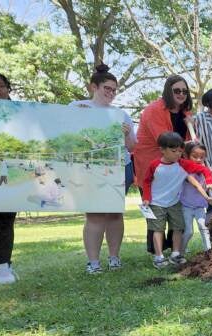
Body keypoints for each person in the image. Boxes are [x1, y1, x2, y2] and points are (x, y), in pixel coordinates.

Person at [69, 64, 137, 274]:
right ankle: (93, 262)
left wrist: (126, 134)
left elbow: (132, 146)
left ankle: (114, 257)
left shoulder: (121, 114)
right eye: (107, 88)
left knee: (115, 214)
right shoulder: (77, 107)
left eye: (114, 90)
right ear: (93, 87)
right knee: (96, 215)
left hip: (120, 167)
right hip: (91, 169)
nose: (111, 93)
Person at [135, 75, 194, 254]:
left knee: (175, 208)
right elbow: (166, 142)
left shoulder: (185, 113)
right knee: (157, 210)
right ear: (168, 91)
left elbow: (190, 141)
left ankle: (174, 249)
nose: (181, 94)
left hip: (175, 169)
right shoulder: (154, 110)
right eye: (177, 90)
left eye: (184, 91)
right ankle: (157, 251)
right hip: (154, 169)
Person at [141, 132, 212, 269]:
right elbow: (146, 182)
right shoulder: (155, 165)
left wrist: (209, 182)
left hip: (175, 203)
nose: (177, 154)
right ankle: (159, 256)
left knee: (178, 228)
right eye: (173, 151)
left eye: (180, 151)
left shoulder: (183, 164)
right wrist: (146, 198)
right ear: (162, 150)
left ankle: (176, 254)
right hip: (156, 203)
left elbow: (204, 170)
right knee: (158, 229)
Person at [0, 71, 17, 284]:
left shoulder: (22, 114)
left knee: (4, 220)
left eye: (0, 85)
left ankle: (2, 266)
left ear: (7, 88)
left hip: (6, 176)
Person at [180, 142, 211, 252]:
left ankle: (208, 251)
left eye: (201, 157)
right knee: (188, 231)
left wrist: (210, 182)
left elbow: (206, 185)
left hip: (200, 206)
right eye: (195, 156)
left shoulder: (204, 171)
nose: (198, 160)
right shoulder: (184, 170)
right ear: (186, 156)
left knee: (203, 227)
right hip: (186, 206)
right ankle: (180, 252)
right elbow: (196, 185)